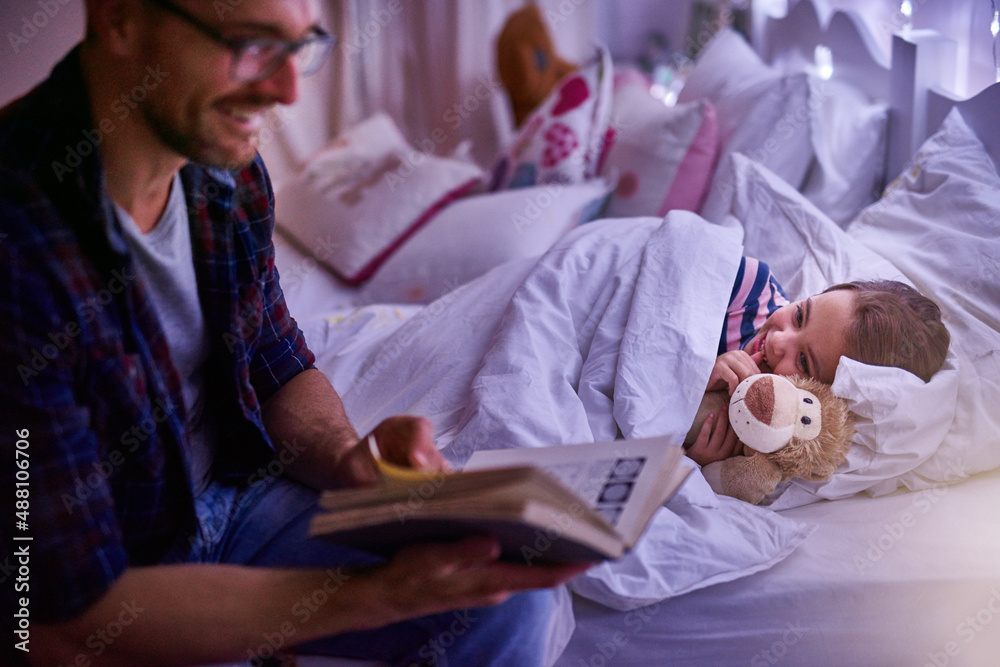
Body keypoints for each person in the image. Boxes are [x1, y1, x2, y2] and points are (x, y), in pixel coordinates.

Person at [0, 1, 586, 665]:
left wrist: (348, 460)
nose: (286, 90)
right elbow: (58, 615)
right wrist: (379, 596)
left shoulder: (228, 171)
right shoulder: (20, 243)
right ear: (122, 18)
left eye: (299, 47)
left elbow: (277, 364)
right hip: (114, 579)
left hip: (233, 498)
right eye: (250, 44)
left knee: (505, 594)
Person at [684, 258, 950, 466]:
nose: (778, 341)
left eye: (803, 361)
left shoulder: (761, 432)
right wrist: (695, 371)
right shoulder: (748, 288)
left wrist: (696, 462)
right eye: (800, 316)